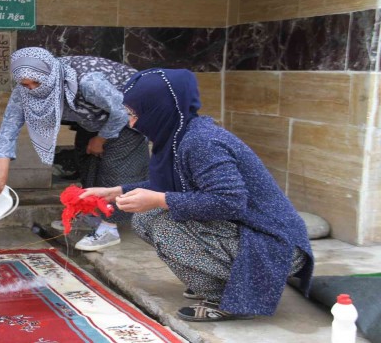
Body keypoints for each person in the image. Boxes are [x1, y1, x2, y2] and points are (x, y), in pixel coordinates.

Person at [80, 68, 314, 321]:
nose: (131, 123)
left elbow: (230, 202)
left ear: (160, 109)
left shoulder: (202, 142)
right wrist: (115, 191)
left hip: (275, 245)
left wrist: (160, 200)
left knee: (165, 226)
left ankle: (230, 299)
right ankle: (214, 280)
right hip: (250, 232)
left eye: (135, 114)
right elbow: (173, 182)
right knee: (148, 218)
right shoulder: (180, 135)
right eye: (129, 114)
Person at [0, 47, 149, 251]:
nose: (34, 89)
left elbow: (121, 113)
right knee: (87, 160)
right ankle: (93, 214)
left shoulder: (88, 83)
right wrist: (0, 170)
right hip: (91, 119)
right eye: (26, 84)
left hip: (129, 117)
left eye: (38, 82)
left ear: (51, 74)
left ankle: (109, 228)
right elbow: (9, 125)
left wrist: (101, 138)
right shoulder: (23, 91)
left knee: (118, 168)